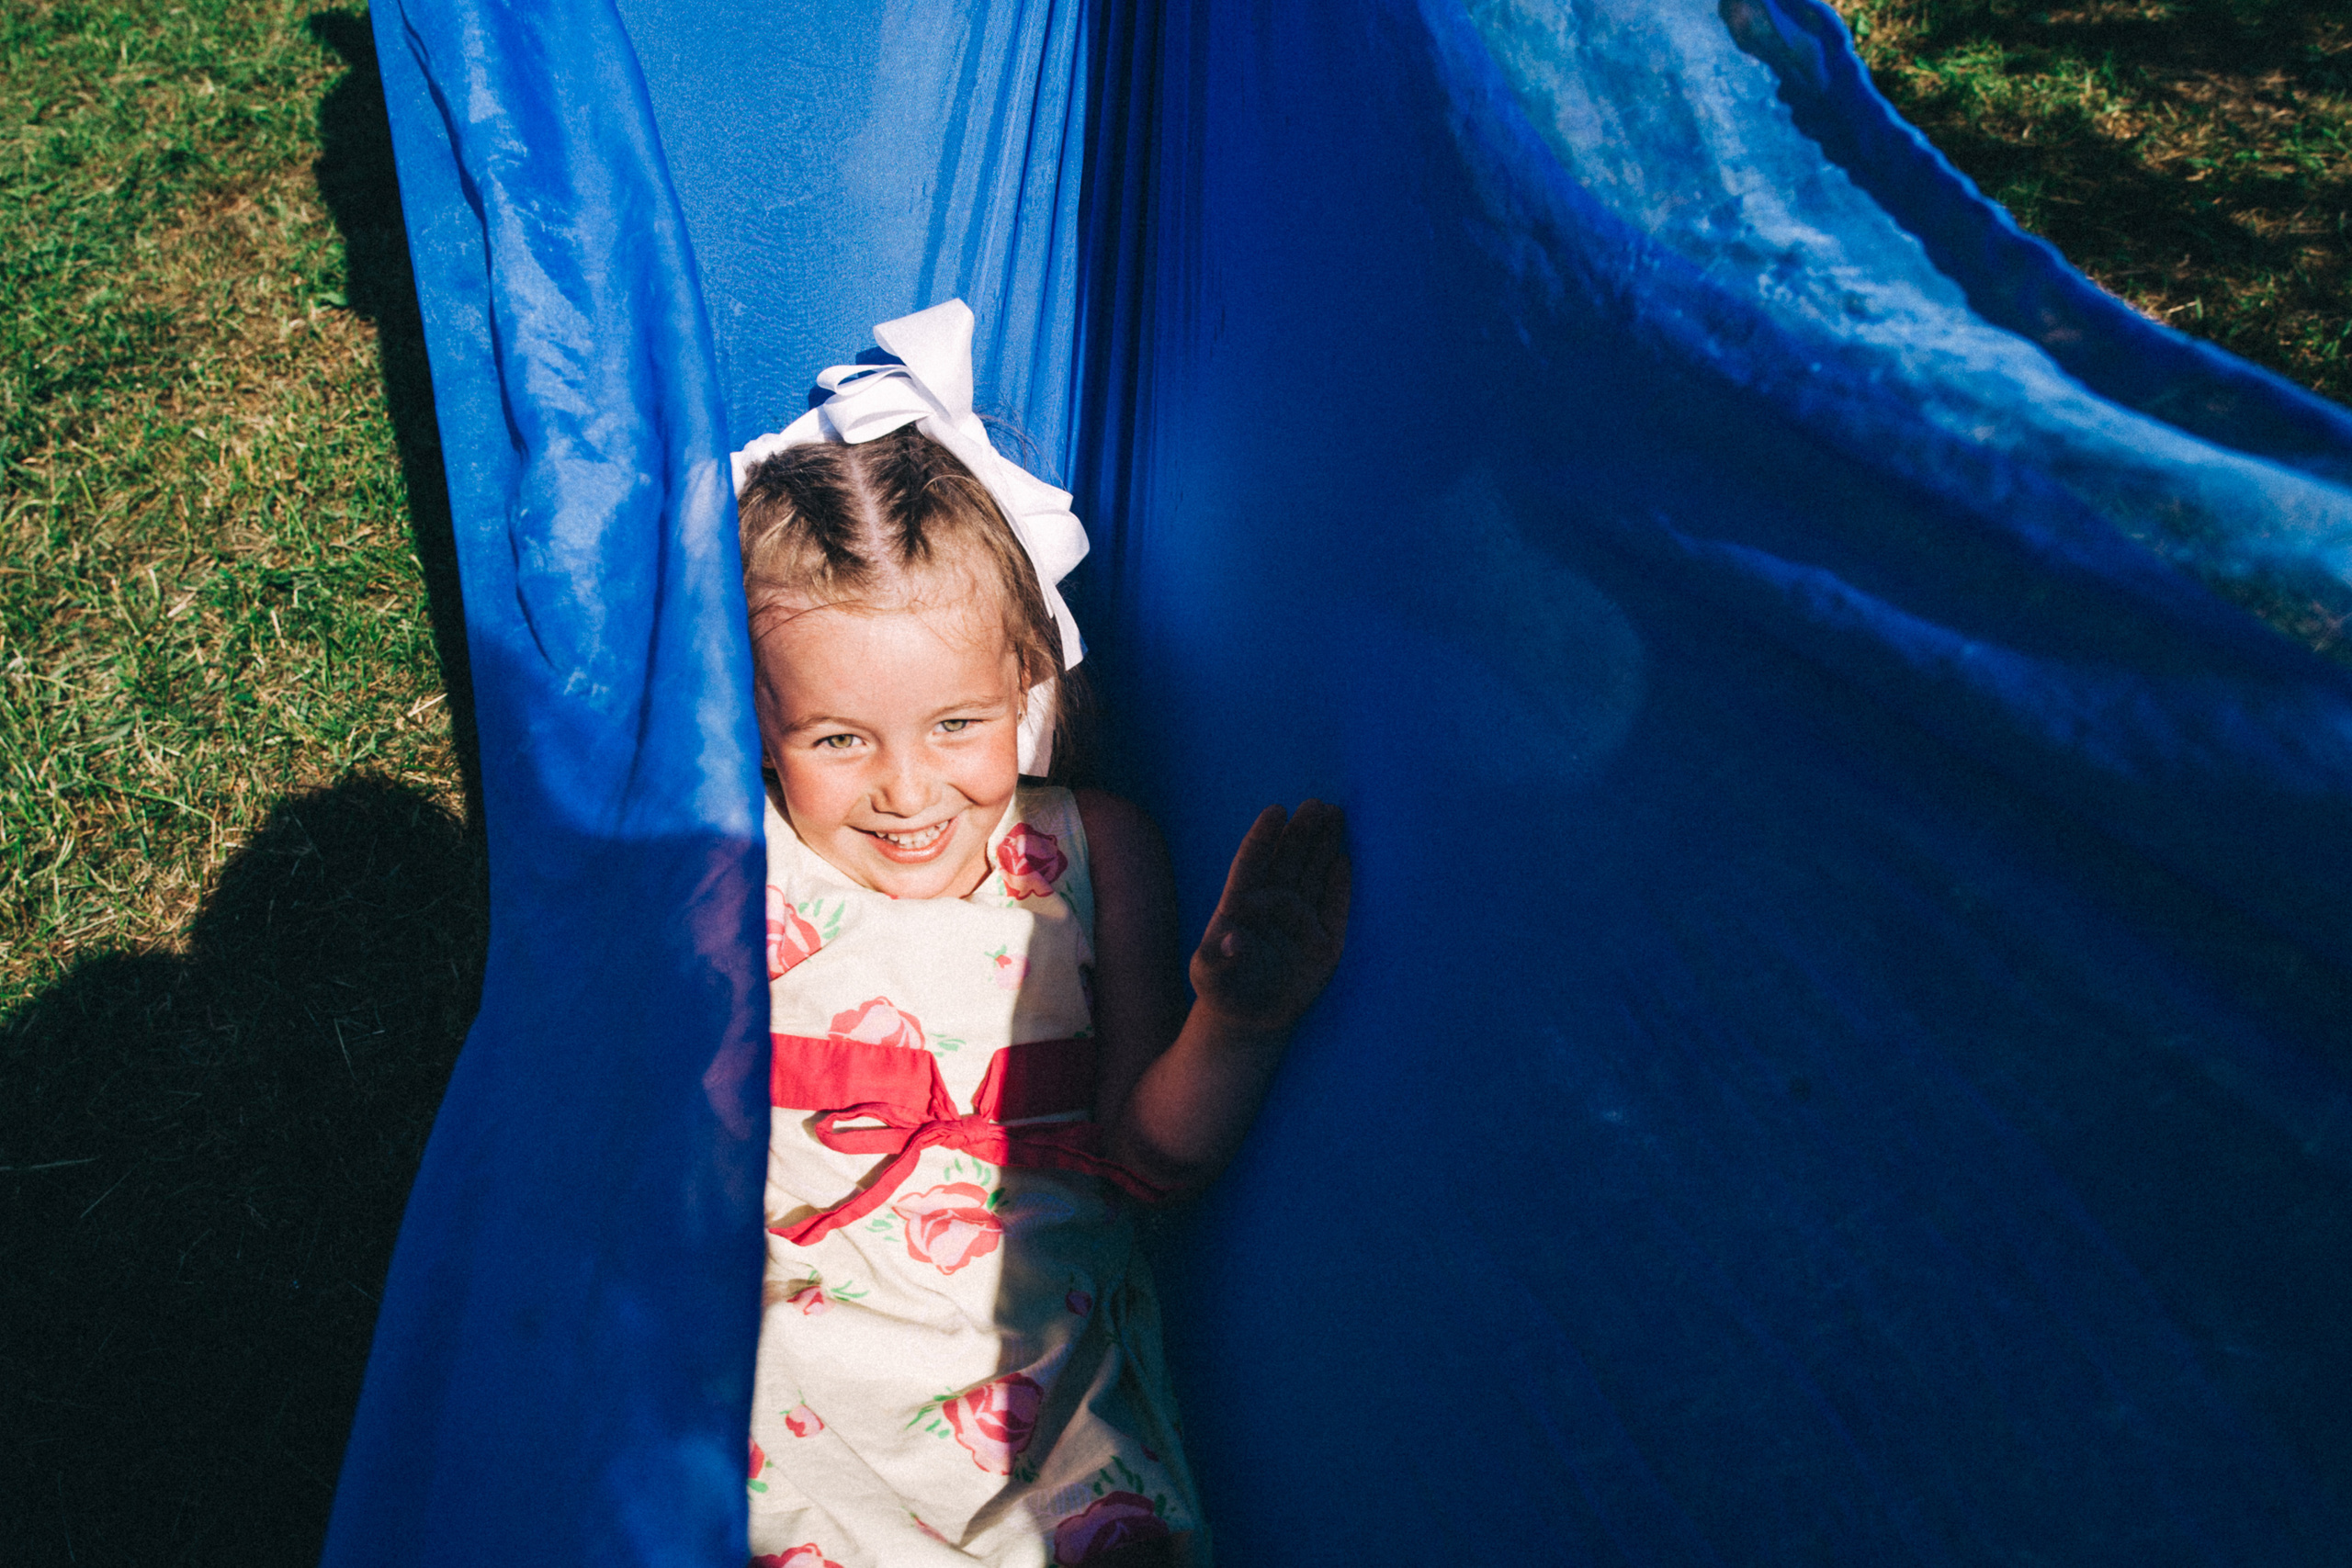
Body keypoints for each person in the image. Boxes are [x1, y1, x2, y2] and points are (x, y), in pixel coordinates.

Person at [734, 301, 1350, 1568]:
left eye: (957, 726)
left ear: (1031, 680)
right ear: (763, 722)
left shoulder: (1090, 854)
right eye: (840, 740)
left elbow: (1146, 1161)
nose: (908, 794)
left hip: (1048, 1400)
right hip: (801, 1395)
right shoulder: (751, 865)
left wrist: (1239, 1020)